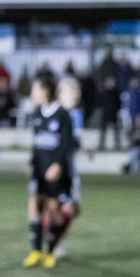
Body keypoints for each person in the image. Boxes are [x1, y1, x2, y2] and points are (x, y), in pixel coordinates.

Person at [21, 74, 76, 270]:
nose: (32, 93)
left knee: (53, 209)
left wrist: (57, 165)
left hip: (55, 170)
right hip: (38, 169)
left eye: (34, 89)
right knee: (34, 204)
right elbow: (36, 143)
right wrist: (31, 161)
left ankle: (51, 251)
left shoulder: (62, 114)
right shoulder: (36, 113)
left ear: (45, 91)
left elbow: (67, 143)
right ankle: (35, 250)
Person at [52, 76, 88, 261]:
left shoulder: (77, 114)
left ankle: (53, 241)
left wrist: (84, 148)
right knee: (66, 207)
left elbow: (75, 139)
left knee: (72, 209)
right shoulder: (55, 113)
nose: (75, 95)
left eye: (77, 92)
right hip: (58, 168)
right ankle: (52, 242)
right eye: (71, 92)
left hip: (70, 167)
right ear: (60, 94)